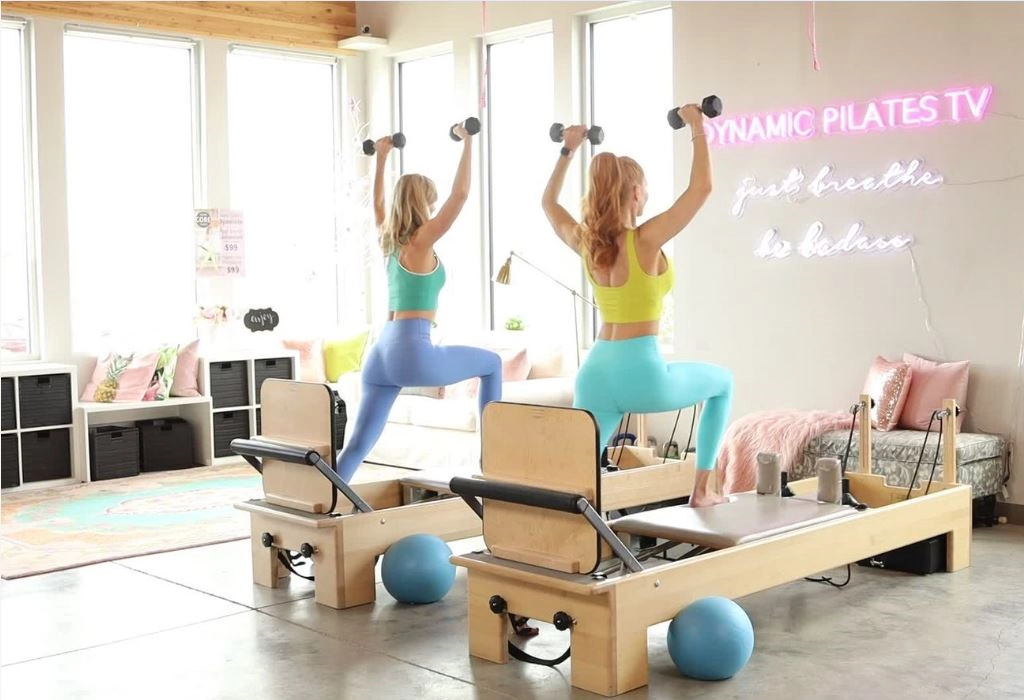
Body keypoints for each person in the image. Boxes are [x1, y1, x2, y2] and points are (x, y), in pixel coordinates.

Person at [540, 105, 733, 507]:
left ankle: (559, 543)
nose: (647, 197)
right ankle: (702, 491)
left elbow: (548, 203)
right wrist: (697, 125)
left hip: (595, 373)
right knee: (723, 383)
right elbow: (701, 189)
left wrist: (567, 150)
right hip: (641, 373)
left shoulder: (588, 243)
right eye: (644, 189)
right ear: (634, 192)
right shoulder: (644, 240)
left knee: (574, 479)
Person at [335, 123, 502, 483]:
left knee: (359, 444)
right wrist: (469, 142)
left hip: (380, 354)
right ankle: (494, 457)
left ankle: (324, 501)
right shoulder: (422, 240)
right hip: (412, 349)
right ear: (423, 203)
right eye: (432, 201)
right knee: (492, 364)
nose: (436, 207)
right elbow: (460, 195)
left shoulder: (389, 240)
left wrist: (381, 158)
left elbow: (379, 203)